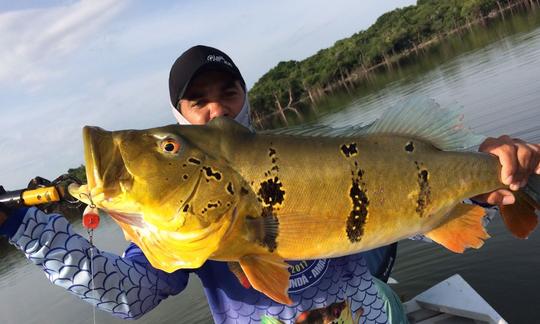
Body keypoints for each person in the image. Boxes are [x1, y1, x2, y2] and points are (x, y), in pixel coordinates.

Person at [0, 45, 539, 324]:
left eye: (227, 92)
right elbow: (129, 292)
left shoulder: (310, 152)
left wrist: (483, 185)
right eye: (196, 101)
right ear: (181, 114)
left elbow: (409, 213)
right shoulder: (171, 228)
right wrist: (25, 226)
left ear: (246, 97)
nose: (215, 108)